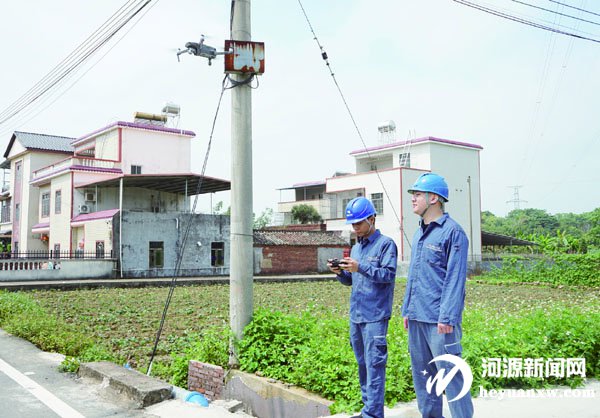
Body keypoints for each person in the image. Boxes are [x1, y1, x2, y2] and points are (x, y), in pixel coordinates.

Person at [401, 173, 474, 418]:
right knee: (424, 380)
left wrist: (447, 317)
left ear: (433, 198)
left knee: (451, 377)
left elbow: (455, 279)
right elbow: (414, 275)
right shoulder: (419, 233)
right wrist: (406, 310)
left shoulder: (453, 233)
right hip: (417, 319)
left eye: (417, 194)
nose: (413, 199)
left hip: (440, 323)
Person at [328, 197, 398, 418]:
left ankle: (373, 415)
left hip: (375, 317)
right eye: (353, 224)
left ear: (372, 219)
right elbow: (352, 280)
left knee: (375, 365)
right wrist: (341, 273)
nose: (355, 228)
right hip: (357, 316)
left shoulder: (386, 244)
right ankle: (369, 410)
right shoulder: (356, 248)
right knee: (362, 364)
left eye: (359, 223)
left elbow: (388, 275)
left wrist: (360, 267)